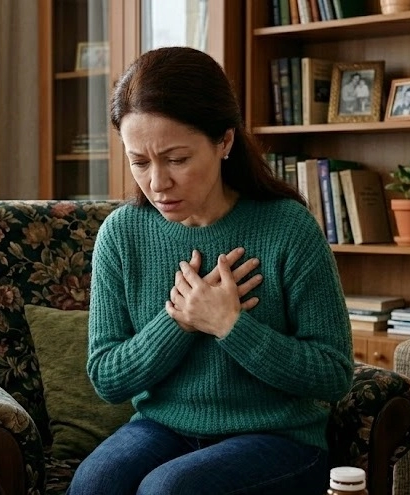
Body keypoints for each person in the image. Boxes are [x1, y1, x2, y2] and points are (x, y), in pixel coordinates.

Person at [67, 46, 354, 495]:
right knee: (94, 482)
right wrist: (180, 321)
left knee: (167, 490)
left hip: (278, 437)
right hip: (163, 426)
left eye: (177, 159)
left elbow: (333, 374)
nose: (157, 182)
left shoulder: (288, 228)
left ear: (224, 142)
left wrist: (230, 325)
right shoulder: (121, 235)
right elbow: (107, 376)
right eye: (139, 161)